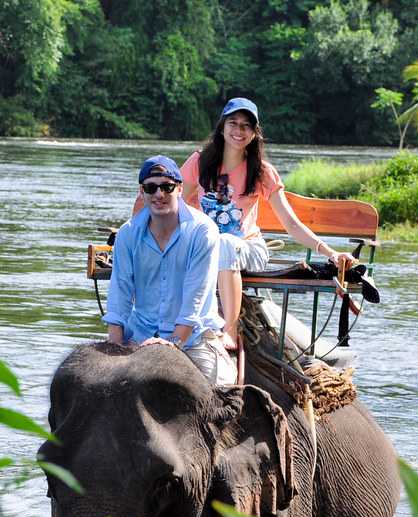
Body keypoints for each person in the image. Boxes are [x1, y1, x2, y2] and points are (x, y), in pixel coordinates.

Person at [181, 97, 358, 350]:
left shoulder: (262, 171)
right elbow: (173, 203)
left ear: (254, 133)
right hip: (206, 249)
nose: (238, 131)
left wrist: (330, 253)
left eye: (246, 126)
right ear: (222, 127)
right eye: (233, 123)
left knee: (226, 243)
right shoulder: (200, 163)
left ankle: (229, 330)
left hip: (247, 248)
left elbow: (291, 223)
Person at [103, 155, 237, 385]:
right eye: (151, 188)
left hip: (192, 337)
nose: (159, 194)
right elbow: (120, 292)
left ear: (180, 189)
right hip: (140, 333)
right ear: (142, 192)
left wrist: (174, 342)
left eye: (167, 187)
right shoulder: (127, 234)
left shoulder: (203, 232)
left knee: (220, 392)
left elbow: (195, 296)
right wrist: (114, 348)